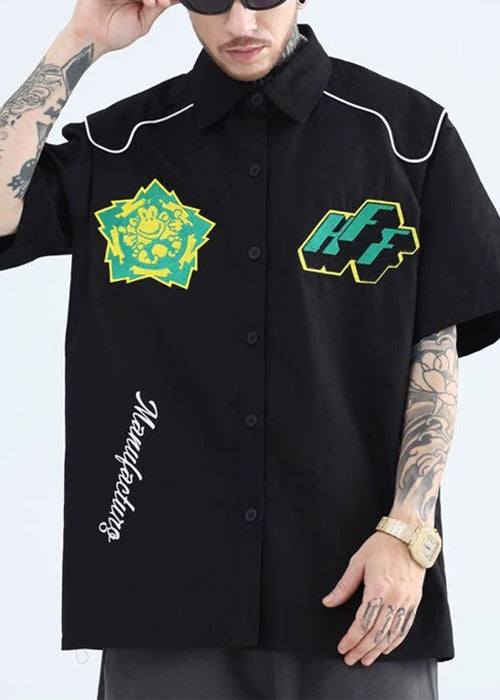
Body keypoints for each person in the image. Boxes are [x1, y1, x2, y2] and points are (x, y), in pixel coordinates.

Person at [1, 1, 500, 698]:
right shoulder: (121, 146)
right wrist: (79, 39)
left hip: (360, 600)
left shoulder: (407, 138)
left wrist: (410, 533)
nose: (240, 23)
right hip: (162, 604)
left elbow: (434, 350)